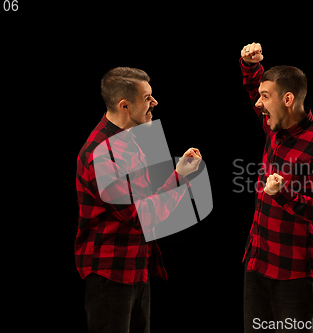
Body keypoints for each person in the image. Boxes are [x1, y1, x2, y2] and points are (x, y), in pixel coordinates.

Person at [75, 67, 202, 333]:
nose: (154, 103)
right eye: (147, 98)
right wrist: (179, 177)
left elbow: (147, 198)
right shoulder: (102, 155)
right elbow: (141, 216)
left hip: (136, 267)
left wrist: (177, 175)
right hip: (110, 275)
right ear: (125, 105)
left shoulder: (131, 139)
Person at [240, 43, 313, 333]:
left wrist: (285, 195)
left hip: (294, 275)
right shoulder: (275, 127)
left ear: (288, 99)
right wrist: (251, 66)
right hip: (257, 263)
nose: (258, 104)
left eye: (266, 97)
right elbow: (255, 92)